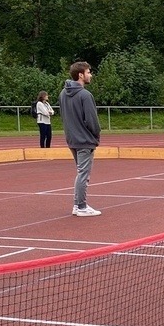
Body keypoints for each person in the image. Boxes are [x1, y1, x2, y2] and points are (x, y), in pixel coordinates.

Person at [60, 62, 102, 216]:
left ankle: (79, 205)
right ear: (81, 75)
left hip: (72, 139)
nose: (90, 75)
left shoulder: (63, 94)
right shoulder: (85, 95)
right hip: (84, 140)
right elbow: (92, 120)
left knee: (81, 172)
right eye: (88, 72)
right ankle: (81, 206)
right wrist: (96, 135)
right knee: (83, 174)